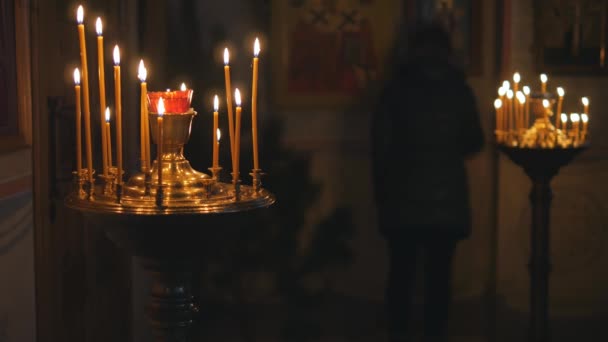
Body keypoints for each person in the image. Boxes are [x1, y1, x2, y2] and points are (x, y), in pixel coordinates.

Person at [371, 22, 484, 342]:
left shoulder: (394, 90)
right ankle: (435, 333)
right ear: (447, 51)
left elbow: (380, 149)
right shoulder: (459, 89)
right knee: (439, 278)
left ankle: (399, 332)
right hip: (446, 201)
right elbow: (474, 142)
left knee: (401, 274)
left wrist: (380, 196)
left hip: (401, 199)